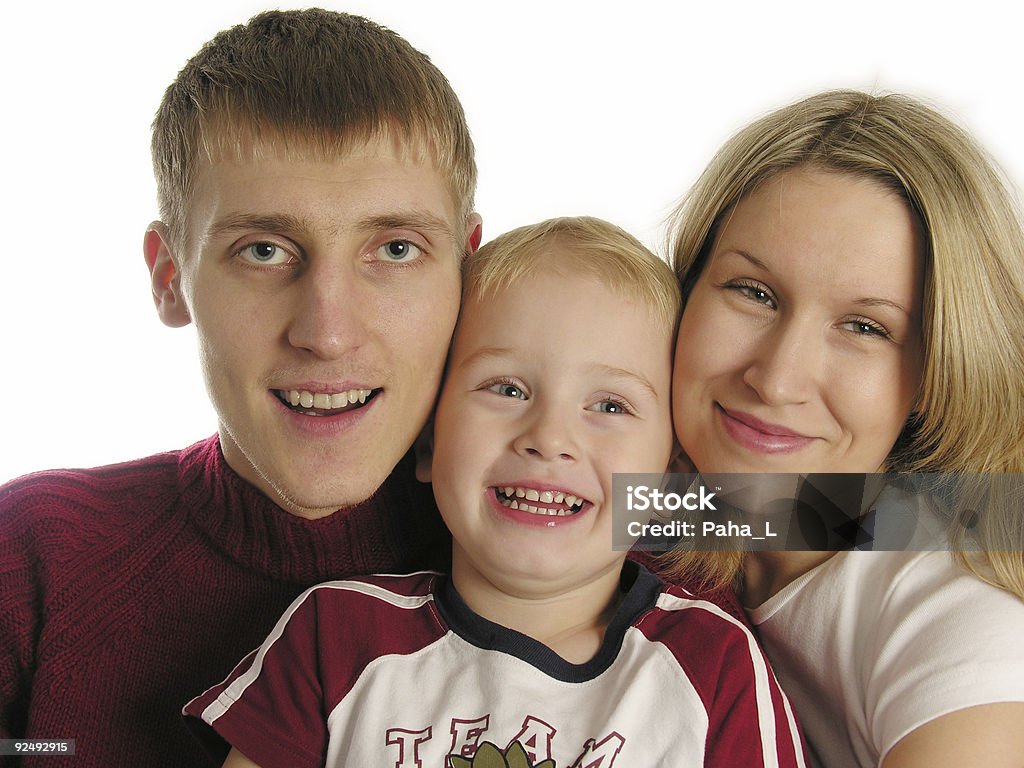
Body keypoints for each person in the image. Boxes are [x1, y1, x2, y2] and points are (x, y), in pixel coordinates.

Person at [0, 9, 481, 766]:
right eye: (263, 249)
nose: (327, 331)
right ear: (170, 277)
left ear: (467, 268)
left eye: (394, 248)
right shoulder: (30, 550)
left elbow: (735, 513)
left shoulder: (581, 516)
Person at [184, 217, 805, 768]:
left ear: (668, 476)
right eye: (506, 389)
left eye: (610, 405)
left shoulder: (712, 664)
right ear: (428, 443)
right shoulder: (335, 637)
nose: (549, 438)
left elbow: (874, 512)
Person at [663, 90, 1024, 767]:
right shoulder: (655, 506)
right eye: (754, 292)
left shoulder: (960, 631)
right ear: (686, 288)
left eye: (865, 328)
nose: (777, 378)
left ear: (936, 373)